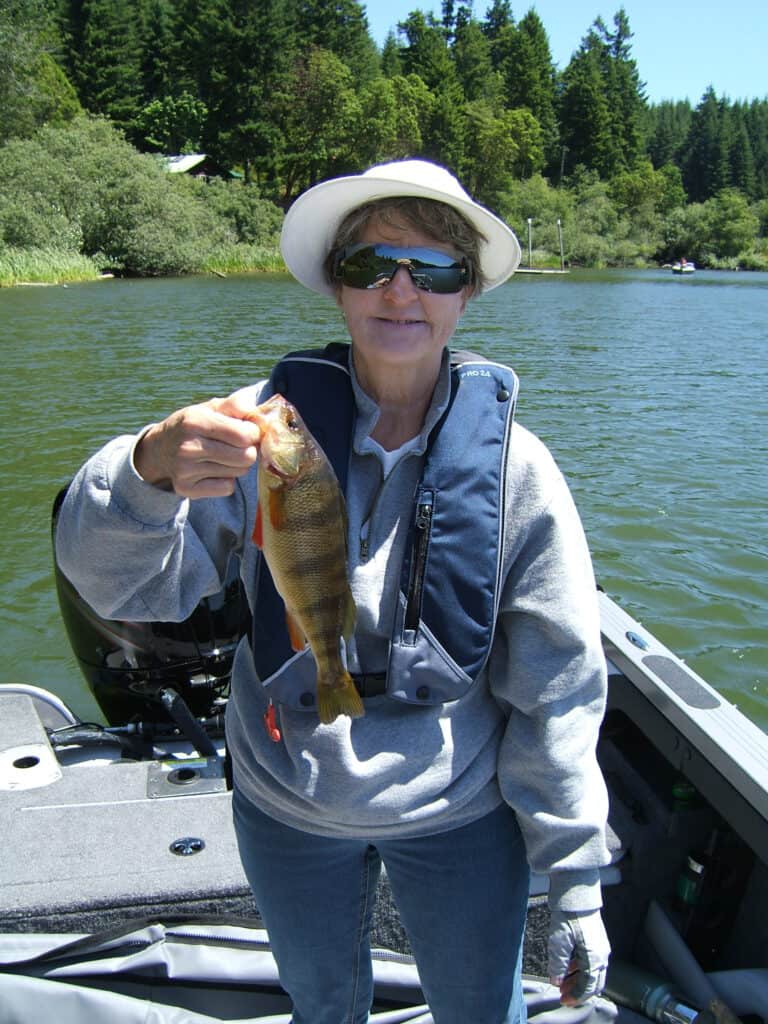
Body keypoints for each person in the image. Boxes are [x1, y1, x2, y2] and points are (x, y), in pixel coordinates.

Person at [56, 159, 611, 1024]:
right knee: (321, 1005)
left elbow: (558, 681)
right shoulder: (254, 431)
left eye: (432, 270)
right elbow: (124, 583)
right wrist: (144, 474)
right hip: (286, 799)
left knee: (480, 1010)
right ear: (336, 288)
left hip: (457, 805)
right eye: (370, 265)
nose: (399, 291)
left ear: (466, 295)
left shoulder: (518, 470)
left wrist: (576, 882)